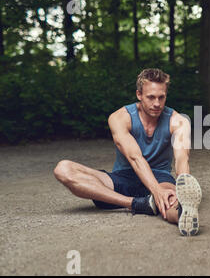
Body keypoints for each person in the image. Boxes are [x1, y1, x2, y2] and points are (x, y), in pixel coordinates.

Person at [53, 68, 202, 236]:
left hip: (160, 177)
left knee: (170, 201)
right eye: (151, 97)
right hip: (123, 177)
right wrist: (155, 191)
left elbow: (182, 158)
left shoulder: (179, 121)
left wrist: (183, 185)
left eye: (162, 97)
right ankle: (138, 203)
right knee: (63, 168)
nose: (157, 103)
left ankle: (183, 215)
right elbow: (135, 157)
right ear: (139, 94)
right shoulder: (119, 117)